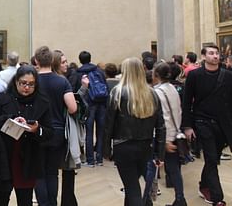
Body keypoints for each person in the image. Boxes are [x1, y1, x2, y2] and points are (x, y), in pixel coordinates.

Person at [103, 57, 166, 206]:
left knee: (132, 189)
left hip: (123, 147)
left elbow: (108, 125)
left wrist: (106, 150)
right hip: (146, 147)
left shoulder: (117, 93)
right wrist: (160, 153)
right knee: (132, 187)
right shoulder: (152, 93)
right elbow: (161, 126)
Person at [0, 65, 53, 206]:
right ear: (16, 82)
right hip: (4, 156)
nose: (27, 87)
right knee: (0, 198)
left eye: (31, 84)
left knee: (25, 200)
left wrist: (36, 129)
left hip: (28, 157)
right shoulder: (2, 99)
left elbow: (50, 131)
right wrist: (10, 119)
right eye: (23, 83)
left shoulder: (42, 101)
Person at [182, 44, 232, 206]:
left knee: (213, 159)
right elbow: (186, 102)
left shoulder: (228, 76)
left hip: (223, 124)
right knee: (211, 158)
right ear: (204, 56)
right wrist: (187, 126)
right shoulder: (195, 76)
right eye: (211, 53)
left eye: (217, 53)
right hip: (202, 122)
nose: (216, 56)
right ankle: (217, 197)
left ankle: (204, 185)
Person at [34, 46, 77, 206]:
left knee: (38, 173)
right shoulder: (62, 81)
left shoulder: (32, 81)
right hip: (57, 132)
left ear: (36, 61)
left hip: (36, 131)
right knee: (52, 173)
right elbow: (72, 108)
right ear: (52, 61)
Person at [152, 62, 186, 206]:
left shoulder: (157, 92)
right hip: (175, 132)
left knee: (165, 168)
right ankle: (180, 199)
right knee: (174, 169)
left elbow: (163, 116)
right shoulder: (173, 88)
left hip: (166, 136)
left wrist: (165, 140)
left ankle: (179, 200)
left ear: (156, 75)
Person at [76, 51, 108, 167]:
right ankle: (99, 158)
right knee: (100, 131)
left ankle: (90, 160)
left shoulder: (79, 73)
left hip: (88, 105)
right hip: (101, 103)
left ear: (80, 60)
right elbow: (105, 87)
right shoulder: (99, 71)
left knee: (88, 132)